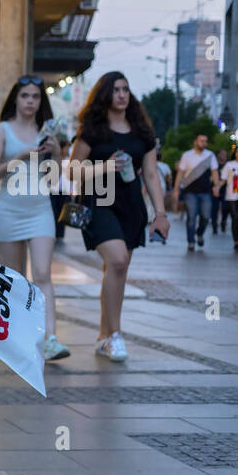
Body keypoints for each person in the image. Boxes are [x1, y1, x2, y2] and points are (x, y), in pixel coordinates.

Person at [66, 72, 170, 362]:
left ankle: (103, 336)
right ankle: (115, 335)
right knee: (118, 261)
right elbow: (72, 170)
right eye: (115, 90)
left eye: (125, 89)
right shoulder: (93, 131)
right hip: (99, 201)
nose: (122, 95)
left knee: (116, 271)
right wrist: (105, 166)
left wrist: (160, 214)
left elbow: (150, 174)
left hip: (131, 206)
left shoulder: (141, 133)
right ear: (105, 96)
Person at [0, 75, 68, 360]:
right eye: (25, 96)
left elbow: (55, 179)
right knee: (14, 278)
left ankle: (50, 339)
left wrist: (56, 153)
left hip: (40, 210)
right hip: (9, 211)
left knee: (43, 273)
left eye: (35, 97)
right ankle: (18, 336)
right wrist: (20, 155)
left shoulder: (47, 133)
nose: (30, 101)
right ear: (16, 99)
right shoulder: (3, 131)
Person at [172, 133, 220, 252]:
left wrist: (216, 186)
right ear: (195, 142)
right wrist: (176, 189)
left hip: (206, 192)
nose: (204, 143)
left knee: (205, 216)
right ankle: (191, 241)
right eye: (201, 141)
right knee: (192, 216)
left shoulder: (210, 155)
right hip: (190, 192)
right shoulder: (187, 155)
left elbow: (214, 172)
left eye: (205, 141)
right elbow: (180, 173)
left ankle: (199, 234)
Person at [213, 149, 230, 235]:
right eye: (222, 154)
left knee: (225, 207)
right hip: (215, 188)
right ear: (218, 155)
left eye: (225, 154)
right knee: (215, 208)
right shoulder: (214, 165)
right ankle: (214, 225)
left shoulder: (228, 165)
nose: (224, 155)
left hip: (225, 189)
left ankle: (223, 222)